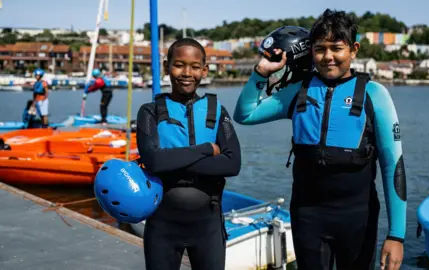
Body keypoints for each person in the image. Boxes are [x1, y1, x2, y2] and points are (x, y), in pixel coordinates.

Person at [233, 10, 407, 270]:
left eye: (337, 48)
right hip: (308, 218)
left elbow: (393, 166)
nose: (328, 57)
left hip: (358, 219)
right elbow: (245, 115)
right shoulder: (298, 91)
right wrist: (261, 72)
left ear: (353, 49)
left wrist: (396, 235)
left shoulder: (374, 94)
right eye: (320, 49)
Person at [136, 37, 242, 270]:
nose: (186, 72)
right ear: (167, 67)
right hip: (163, 225)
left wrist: (170, 160)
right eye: (179, 64)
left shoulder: (218, 111)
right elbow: (152, 160)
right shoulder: (149, 112)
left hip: (208, 226)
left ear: (204, 70)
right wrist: (206, 150)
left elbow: (232, 164)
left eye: (195, 67)